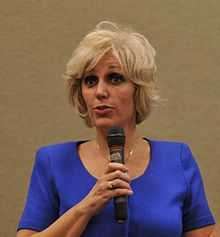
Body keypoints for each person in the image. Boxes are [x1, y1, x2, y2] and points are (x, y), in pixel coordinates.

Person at [17, 21, 217, 237]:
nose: (100, 91)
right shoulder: (53, 162)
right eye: (91, 81)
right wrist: (87, 206)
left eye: (115, 78)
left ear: (138, 89)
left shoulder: (177, 159)